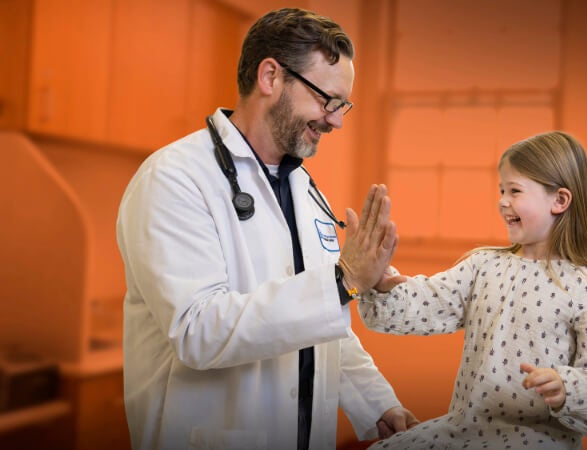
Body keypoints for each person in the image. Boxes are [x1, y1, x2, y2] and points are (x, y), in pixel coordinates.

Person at [116, 8, 418, 450]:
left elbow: (320, 321)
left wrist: (376, 404)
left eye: (342, 105)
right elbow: (198, 331)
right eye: (326, 100)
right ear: (271, 77)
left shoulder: (304, 189)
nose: (335, 120)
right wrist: (343, 280)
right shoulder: (174, 178)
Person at [358, 131, 587, 449]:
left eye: (514, 190)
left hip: (538, 440)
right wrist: (380, 284)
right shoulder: (483, 265)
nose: (502, 201)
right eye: (502, 189)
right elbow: (432, 301)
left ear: (559, 200)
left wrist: (567, 387)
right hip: (464, 431)